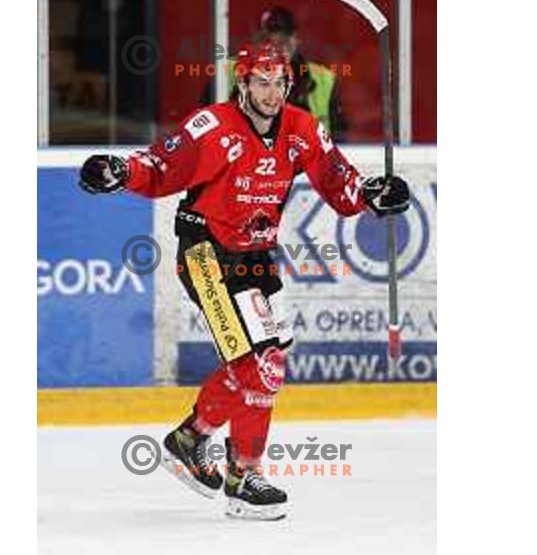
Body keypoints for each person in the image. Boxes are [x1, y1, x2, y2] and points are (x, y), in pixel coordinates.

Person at [79, 41, 409, 521]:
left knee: (268, 363)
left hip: (254, 257)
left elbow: (339, 182)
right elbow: (159, 166)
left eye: (279, 84)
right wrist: (120, 170)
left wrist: (371, 193)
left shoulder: (301, 128)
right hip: (206, 254)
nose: (272, 93)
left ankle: (190, 440)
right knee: (258, 366)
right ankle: (241, 477)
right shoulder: (212, 127)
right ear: (243, 83)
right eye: (261, 83)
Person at [202, 5, 348, 141]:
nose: (275, 49)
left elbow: (342, 141)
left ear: (296, 39)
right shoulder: (225, 72)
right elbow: (203, 130)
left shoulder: (323, 78)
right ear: (253, 38)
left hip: (305, 164)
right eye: (267, 41)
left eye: (283, 42)